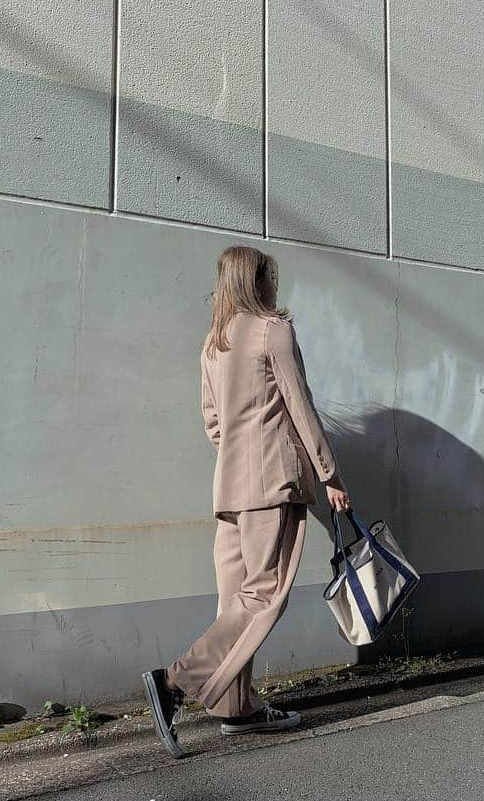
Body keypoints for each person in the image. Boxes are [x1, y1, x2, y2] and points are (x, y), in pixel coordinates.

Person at [141, 245, 352, 757]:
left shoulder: (214, 342)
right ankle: (173, 681)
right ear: (261, 281)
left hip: (230, 487)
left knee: (234, 598)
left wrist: (241, 456)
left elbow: (214, 424)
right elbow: (300, 406)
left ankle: (235, 708)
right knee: (263, 597)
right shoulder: (272, 330)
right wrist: (329, 474)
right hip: (271, 484)